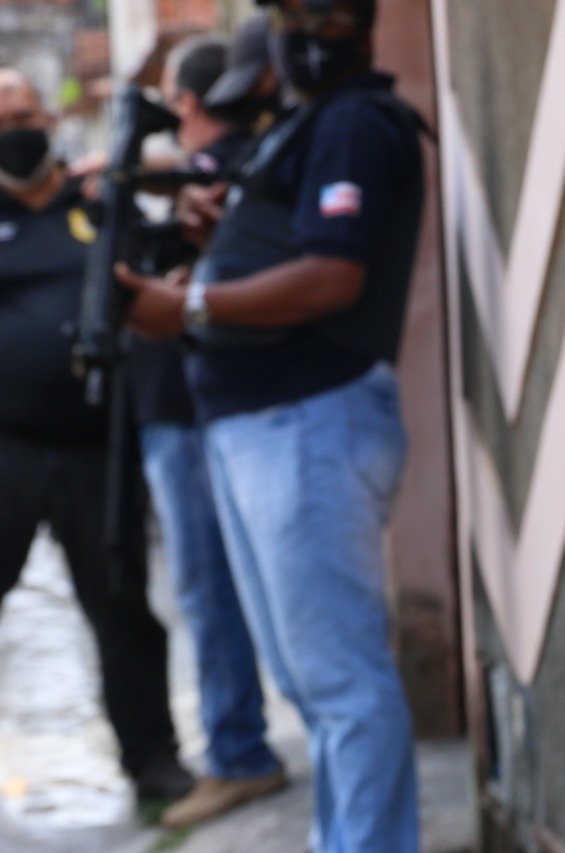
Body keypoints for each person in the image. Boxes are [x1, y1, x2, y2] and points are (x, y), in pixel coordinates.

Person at [117, 0, 425, 847]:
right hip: (267, 424)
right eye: (291, 13)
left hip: (307, 420)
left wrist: (191, 303)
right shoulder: (308, 123)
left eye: (325, 14)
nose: (306, 33)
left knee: (342, 682)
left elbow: (332, 277)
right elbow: (298, 243)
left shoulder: (356, 121)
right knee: (311, 681)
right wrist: (226, 232)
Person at [0, 68, 193, 805]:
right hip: (9, 446)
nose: (16, 133)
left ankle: (153, 759)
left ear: (49, 120)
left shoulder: (97, 203)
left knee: (122, 607)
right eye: (1, 123)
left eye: (25, 116)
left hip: (98, 444)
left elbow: (160, 260)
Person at [127, 29, 288, 830]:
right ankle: (238, 744)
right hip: (196, 405)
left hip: (192, 409)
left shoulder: (226, 168)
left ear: (189, 100)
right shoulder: (220, 166)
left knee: (211, 587)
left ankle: (238, 751)